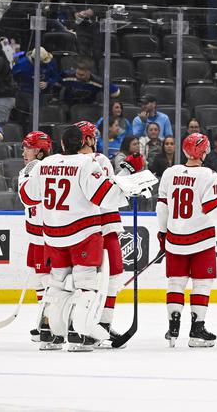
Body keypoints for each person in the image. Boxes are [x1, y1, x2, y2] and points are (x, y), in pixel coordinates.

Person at [19, 125, 145, 352]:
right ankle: (80, 333)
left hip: (53, 236)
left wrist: (28, 173)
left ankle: (49, 333)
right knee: (87, 285)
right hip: (83, 234)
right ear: (83, 142)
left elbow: (27, 197)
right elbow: (106, 196)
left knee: (56, 284)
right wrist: (130, 181)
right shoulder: (89, 163)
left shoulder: (45, 164)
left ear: (63, 144)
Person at [157, 133, 217, 348]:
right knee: (201, 284)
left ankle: (173, 328)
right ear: (204, 150)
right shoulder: (208, 175)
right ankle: (197, 330)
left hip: (174, 239)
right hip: (201, 240)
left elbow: (162, 207)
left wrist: (162, 233)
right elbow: (213, 208)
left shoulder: (170, 173)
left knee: (175, 283)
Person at [75, 121, 142, 348]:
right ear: (88, 139)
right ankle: (97, 325)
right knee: (110, 276)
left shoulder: (68, 162)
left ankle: (88, 325)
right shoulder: (99, 160)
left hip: (80, 226)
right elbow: (109, 190)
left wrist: (128, 173)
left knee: (90, 279)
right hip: (102, 224)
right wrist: (130, 174)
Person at [19, 131, 57, 349]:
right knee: (40, 281)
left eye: (29, 147)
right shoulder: (28, 170)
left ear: (40, 151)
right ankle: (44, 320)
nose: (24, 151)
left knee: (52, 282)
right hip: (36, 237)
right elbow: (25, 198)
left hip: (51, 237)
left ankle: (49, 324)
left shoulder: (50, 169)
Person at [12, 47, 61, 131]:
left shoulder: (50, 61)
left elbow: (56, 76)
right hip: (25, 92)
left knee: (41, 113)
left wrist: (48, 82)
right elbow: (13, 78)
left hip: (43, 93)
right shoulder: (21, 64)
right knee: (29, 111)